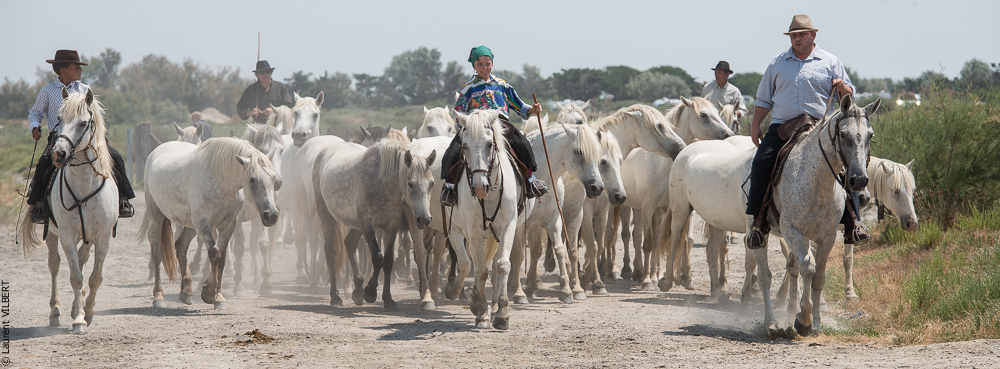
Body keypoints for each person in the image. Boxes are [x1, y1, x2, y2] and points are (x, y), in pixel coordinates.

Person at [744, 14, 868, 249]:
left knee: (846, 163)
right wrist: (755, 125)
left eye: (801, 34)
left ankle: (854, 223)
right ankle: (759, 223)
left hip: (820, 129)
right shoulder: (777, 63)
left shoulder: (831, 61)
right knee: (761, 163)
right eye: (793, 35)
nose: (797, 39)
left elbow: (848, 96)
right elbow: (763, 99)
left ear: (813, 35)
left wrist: (844, 88)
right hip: (783, 128)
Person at [26, 49, 135, 223]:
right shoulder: (47, 91)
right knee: (45, 163)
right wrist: (34, 127)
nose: (81, 71)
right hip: (59, 137)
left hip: (88, 136)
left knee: (115, 156)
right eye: (76, 67)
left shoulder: (85, 90)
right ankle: (37, 203)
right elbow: (35, 113)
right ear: (63, 70)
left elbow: (96, 116)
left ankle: (123, 199)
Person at [439, 45, 549, 206]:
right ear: (474, 67)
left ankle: (531, 180)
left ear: (492, 64)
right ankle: (449, 186)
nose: (485, 68)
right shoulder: (468, 87)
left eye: (488, 63)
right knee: (453, 149)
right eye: (480, 64)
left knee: (522, 143)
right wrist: (465, 123)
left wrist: (532, 109)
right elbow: (459, 111)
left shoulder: (502, 85)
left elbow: (518, 104)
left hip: (500, 123)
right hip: (475, 125)